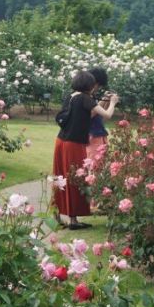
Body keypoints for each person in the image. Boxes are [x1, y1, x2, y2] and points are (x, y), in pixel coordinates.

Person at [53, 70, 118, 229]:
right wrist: (113, 102)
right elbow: (107, 115)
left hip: (60, 141)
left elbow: (86, 115)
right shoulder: (86, 98)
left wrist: (100, 102)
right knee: (76, 178)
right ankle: (73, 220)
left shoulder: (71, 97)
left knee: (61, 178)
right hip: (74, 144)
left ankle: (59, 214)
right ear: (90, 85)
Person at [86, 67, 110, 161]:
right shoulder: (85, 97)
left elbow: (102, 117)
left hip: (100, 135)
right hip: (92, 136)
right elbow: (90, 114)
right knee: (93, 165)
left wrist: (106, 101)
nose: (97, 87)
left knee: (101, 165)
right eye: (97, 84)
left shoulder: (93, 96)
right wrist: (104, 101)